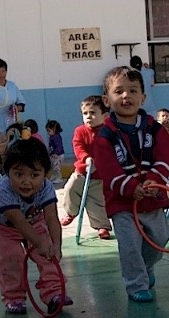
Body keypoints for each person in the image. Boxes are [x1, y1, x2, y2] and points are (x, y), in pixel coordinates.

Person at [94, 66, 169, 302]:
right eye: (118, 91)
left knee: (161, 238)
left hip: (153, 196)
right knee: (129, 246)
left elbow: (164, 157)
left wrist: (155, 180)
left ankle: (146, 268)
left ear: (143, 97)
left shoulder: (155, 129)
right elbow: (109, 171)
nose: (126, 96)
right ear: (106, 100)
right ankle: (136, 284)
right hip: (122, 202)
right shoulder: (104, 137)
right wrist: (131, 188)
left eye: (132, 91)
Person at [0, 138, 73, 315]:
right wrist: (40, 244)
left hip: (34, 220)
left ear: (45, 174)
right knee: (13, 256)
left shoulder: (46, 188)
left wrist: (56, 245)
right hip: (1, 226)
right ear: (8, 172)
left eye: (34, 175)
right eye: (19, 174)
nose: (26, 181)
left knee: (48, 255)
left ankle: (54, 293)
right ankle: (14, 297)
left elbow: (52, 218)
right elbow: (19, 222)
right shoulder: (3, 190)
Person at [60, 96, 113, 240]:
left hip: (99, 175)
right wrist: (85, 158)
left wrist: (101, 163)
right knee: (70, 189)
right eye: (85, 113)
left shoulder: (108, 132)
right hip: (82, 171)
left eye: (93, 113)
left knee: (97, 201)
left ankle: (102, 226)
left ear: (105, 116)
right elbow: (78, 146)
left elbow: (110, 150)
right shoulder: (80, 131)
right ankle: (71, 212)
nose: (89, 116)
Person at [45, 119, 65, 184]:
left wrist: (56, 153)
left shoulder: (56, 137)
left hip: (58, 155)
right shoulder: (52, 137)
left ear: (54, 130)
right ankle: (55, 176)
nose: (48, 132)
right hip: (53, 155)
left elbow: (58, 146)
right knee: (53, 166)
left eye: (49, 131)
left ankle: (59, 178)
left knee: (56, 167)